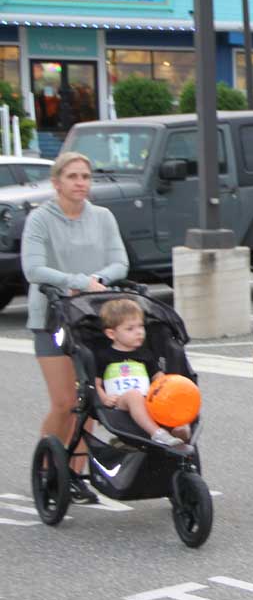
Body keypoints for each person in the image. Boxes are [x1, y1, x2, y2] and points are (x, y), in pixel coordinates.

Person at [22, 151, 128, 504]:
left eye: (85, 176)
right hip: (52, 318)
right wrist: (78, 281)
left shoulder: (103, 217)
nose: (81, 183)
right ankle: (47, 468)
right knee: (65, 401)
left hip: (91, 317)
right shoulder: (40, 219)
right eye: (72, 177)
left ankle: (75, 474)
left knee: (88, 400)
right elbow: (33, 269)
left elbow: (120, 262)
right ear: (56, 183)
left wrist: (98, 280)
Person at [93, 298, 191, 447]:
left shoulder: (145, 355)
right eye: (130, 329)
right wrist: (104, 398)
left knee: (173, 392)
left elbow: (158, 377)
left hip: (147, 400)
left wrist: (169, 388)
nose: (139, 332)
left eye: (140, 326)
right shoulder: (104, 356)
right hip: (120, 401)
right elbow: (96, 384)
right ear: (112, 334)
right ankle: (157, 434)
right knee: (134, 395)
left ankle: (180, 427)